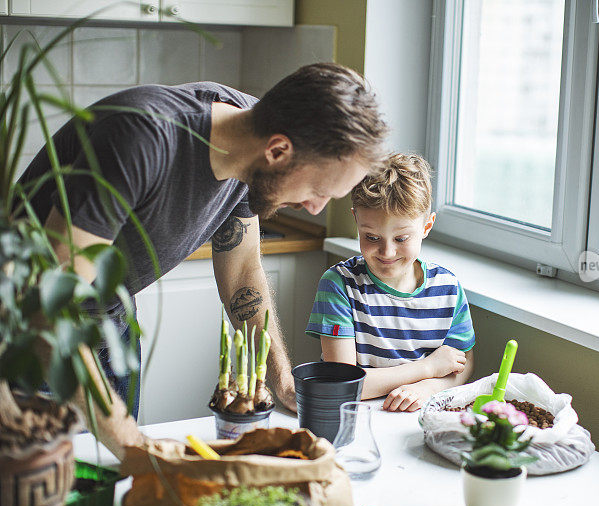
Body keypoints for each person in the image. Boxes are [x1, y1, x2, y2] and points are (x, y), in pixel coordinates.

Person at [19, 63, 388, 459]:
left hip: (111, 320)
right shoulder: (141, 138)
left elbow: (243, 269)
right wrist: (132, 441)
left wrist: (281, 380)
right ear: (279, 151)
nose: (315, 209)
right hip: (26, 332)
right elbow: (45, 305)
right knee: (41, 492)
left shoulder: (257, 146)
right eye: (319, 190)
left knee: (117, 482)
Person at [305, 153, 475, 412]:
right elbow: (342, 384)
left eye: (401, 238)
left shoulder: (448, 289)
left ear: (427, 226)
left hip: (419, 416)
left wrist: (428, 388)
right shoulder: (339, 285)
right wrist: (427, 368)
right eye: (371, 237)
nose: (387, 252)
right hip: (356, 418)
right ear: (356, 221)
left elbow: (461, 364)